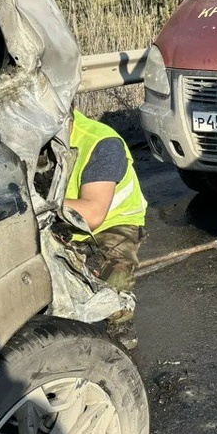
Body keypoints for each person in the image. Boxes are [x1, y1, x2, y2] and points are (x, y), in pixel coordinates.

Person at [64, 109, 147, 346]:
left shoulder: (101, 142)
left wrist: (34, 202)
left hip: (113, 222)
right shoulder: (26, 140)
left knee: (114, 270)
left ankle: (120, 319)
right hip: (63, 219)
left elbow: (93, 213)